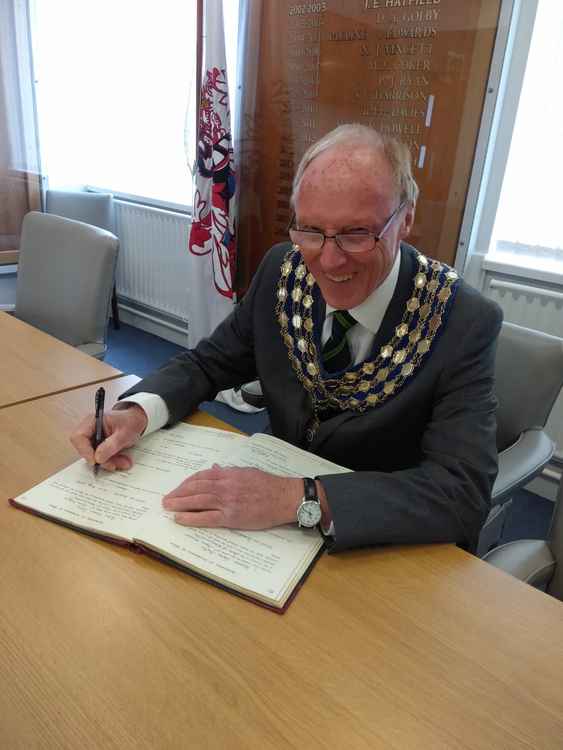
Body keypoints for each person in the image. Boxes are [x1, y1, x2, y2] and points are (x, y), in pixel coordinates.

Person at [71, 124, 502, 553]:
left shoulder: (461, 320)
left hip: (373, 543)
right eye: (311, 230)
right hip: (262, 534)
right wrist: (137, 412)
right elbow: (208, 363)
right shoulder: (283, 271)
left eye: (356, 234)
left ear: (405, 218)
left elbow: (461, 494)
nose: (329, 260)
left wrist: (299, 497)